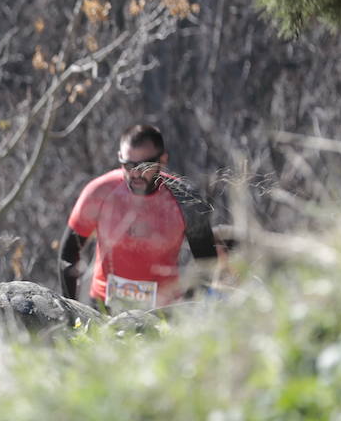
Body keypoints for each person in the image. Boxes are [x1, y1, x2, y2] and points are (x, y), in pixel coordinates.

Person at [59, 123, 224, 312]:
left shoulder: (186, 200)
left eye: (144, 165)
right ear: (120, 158)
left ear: (162, 161)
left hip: (162, 313)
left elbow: (207, 262)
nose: (135, 173)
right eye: (128, 165)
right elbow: (69, 252)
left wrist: (190, 305)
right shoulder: (100, 192)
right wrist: (69, 311)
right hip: (103, 309)